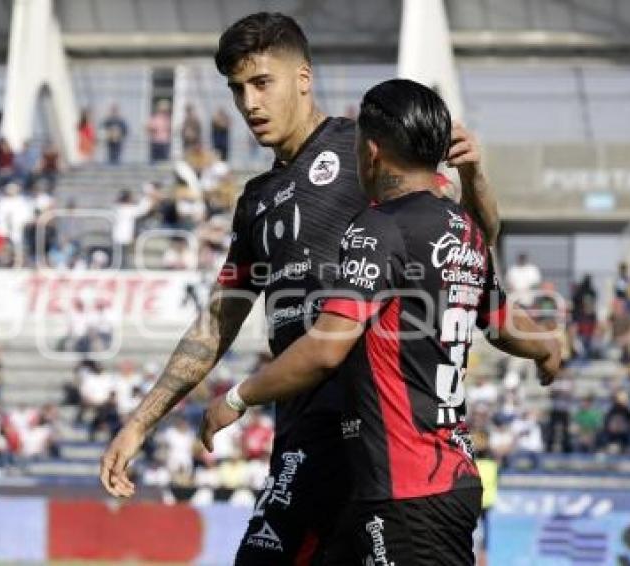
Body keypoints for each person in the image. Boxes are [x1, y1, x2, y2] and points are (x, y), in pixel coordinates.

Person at [101, 13, 500, 565]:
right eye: (238, 89)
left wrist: (476, 178)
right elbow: (218, 321)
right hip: (302, 428)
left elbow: (464, 236)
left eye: (262, 83)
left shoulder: (369, 148)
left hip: (366, 429)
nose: (249, 103)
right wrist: (140, 422)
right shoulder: (256, 199)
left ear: (304, 78)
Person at [199, 79, 561, 565]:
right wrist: (547, 347)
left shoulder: (379, 227)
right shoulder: (464, 231)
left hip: (405, 486)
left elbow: (328, 346)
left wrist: (239, 397)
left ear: (370, 152)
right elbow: (499, 321)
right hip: (448, 476)